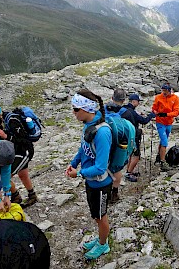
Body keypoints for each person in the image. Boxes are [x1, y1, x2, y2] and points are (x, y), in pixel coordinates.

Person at [65, 89, 112, 260]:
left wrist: (78, 173)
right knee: (96, 214)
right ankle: (100, 239)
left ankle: (103, 245)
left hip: (100, 183)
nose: (74, 113)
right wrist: (74, 162)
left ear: (87, 110)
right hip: (91, 182)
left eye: (76, 109)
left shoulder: (102, 132)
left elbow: (100, 167)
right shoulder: (88, 125)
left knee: (101, 216)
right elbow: (83, 148)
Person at [0, 100, 37, 208]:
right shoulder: (2, 120)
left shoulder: (12, 120)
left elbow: (23, 139)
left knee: (6, 176)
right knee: (23, 175)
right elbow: (5, 138)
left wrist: (6, 136)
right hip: (16, 150)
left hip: (24, 151)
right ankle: (32, 195)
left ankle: (16, 196)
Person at [104, 88, 136, 202]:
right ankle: (114, 193)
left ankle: (103, 192)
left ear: (112, 97)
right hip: (120, 145)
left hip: (104, 141)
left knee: (103, 165)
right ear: (124, 100)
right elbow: (131, 132)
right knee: (116, 169)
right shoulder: (126, 113)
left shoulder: (103, 109)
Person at [123, 93, 155, 182]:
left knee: (130, 154)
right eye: (138, 101)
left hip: (124, 135)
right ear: (134, 102)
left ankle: (129, 171)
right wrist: (151, 115)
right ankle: (129, 173)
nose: (138, 103)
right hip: (133, 136)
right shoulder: (132, 112)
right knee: (136, 155)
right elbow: (143, 121)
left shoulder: (124, 109)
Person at [152, 83, 179, 171]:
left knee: (163, 140)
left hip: (169, 122)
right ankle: (163, 162)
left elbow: (176, 112)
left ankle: (159, 156)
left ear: (169, 91)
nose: (163, 92)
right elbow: (154, 108)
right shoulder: (158, 97)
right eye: (162, 91)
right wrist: (155, 112)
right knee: (164, 141)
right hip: (160, 122)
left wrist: (166, 114)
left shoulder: (175, 98)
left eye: (165, 91)